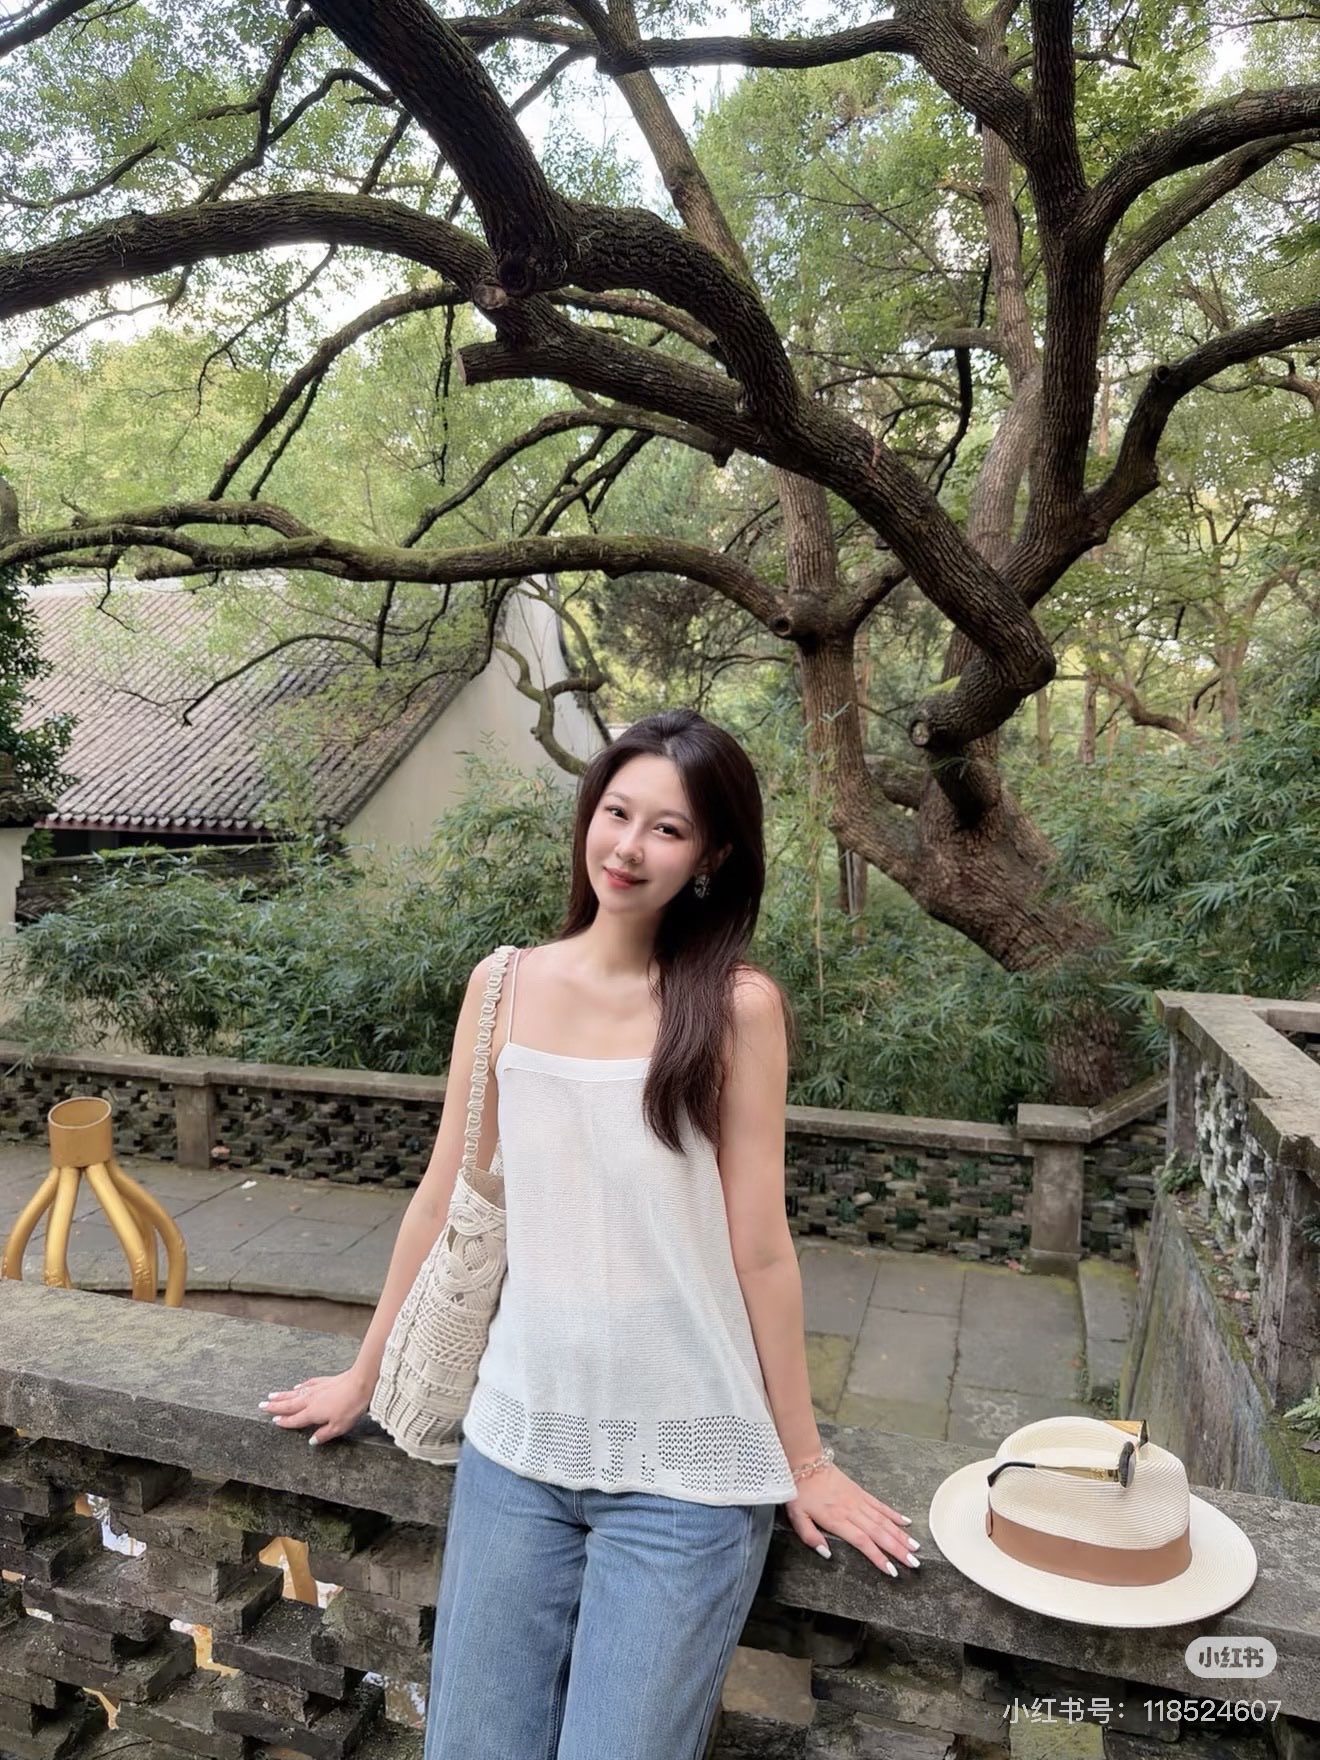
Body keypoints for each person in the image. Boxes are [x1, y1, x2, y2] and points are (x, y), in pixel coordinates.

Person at [260, 708, 918, 1759]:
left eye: (668, 828)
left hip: (687, 1473)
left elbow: (760, 1247)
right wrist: (364, 1372)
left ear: (711, 858)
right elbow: (445, 1201)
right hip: (515, 1447)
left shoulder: (737, 1008)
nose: (629, 846)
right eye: (617, 812)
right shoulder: (503, 987)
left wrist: (806, 1458)